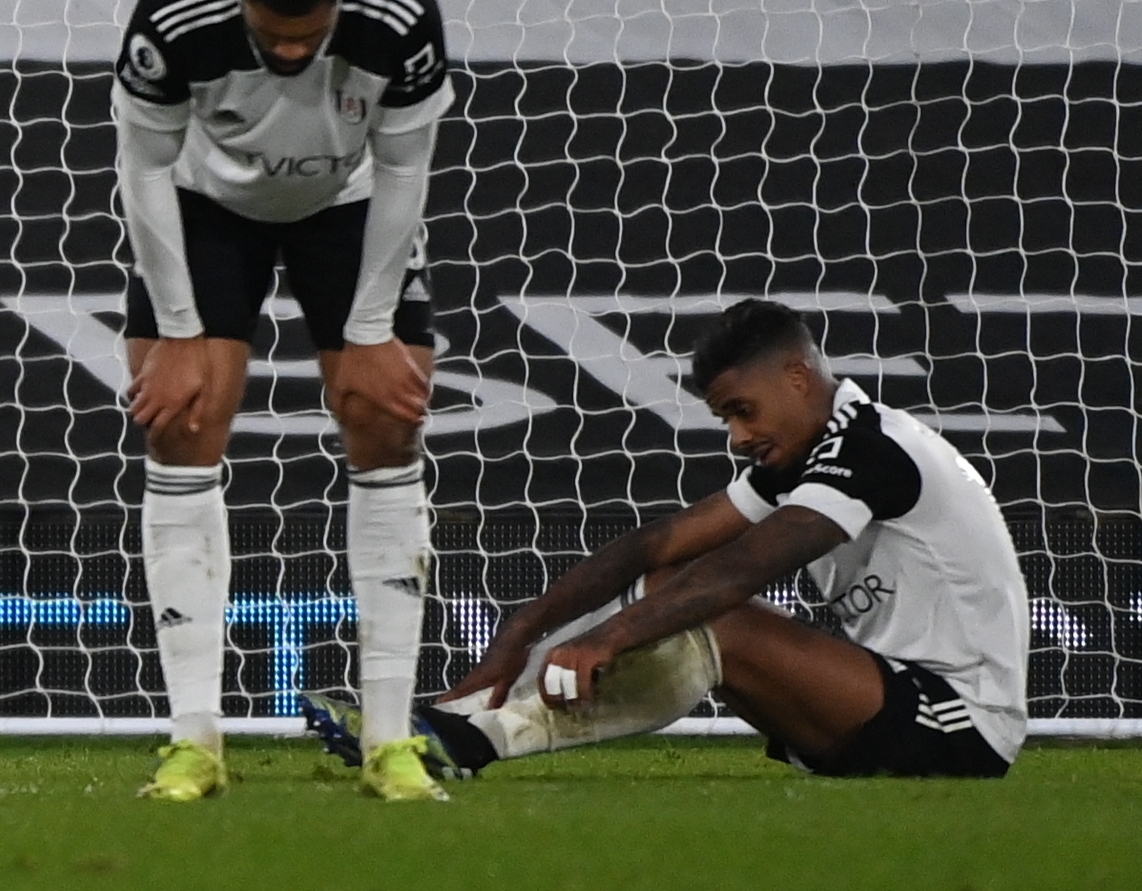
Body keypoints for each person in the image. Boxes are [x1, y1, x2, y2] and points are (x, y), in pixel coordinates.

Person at [325, 297, 1028, 782]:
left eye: (742, 411)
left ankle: (480, 737)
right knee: (667, 592)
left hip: (962, 723)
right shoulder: (805, 452)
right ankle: (456, 717)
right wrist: (525, 628)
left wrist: (606, 640)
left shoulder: (871, 448)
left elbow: (742, 571)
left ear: (796, 376)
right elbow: (656, 546)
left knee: (706, 611)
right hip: (888, 708)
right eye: (726, 419)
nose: (739, 436)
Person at [109, 0, 453, 804]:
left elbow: (408, 166)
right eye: (272, 36)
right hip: (204, 204)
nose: (293, 53)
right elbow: (142, 166)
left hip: (352, 204)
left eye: (311, 37)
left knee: (385, 422)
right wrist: (179, 333)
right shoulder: (173, 13)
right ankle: (194, 744)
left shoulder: (402, 14)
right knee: (178, 426)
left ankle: (390, 743)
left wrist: (373, 330)